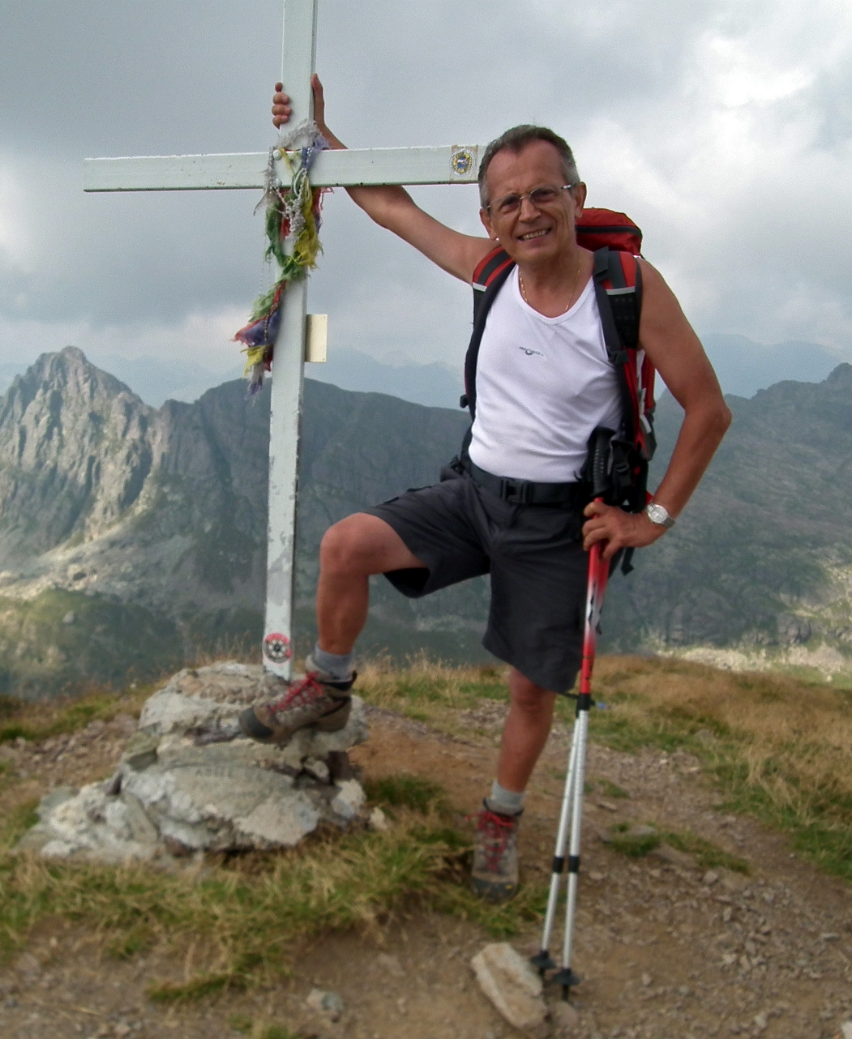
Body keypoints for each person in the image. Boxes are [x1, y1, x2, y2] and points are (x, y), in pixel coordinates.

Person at [239, 76, 732, 902]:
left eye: (544, 193)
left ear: (577, 197)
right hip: (475, 493)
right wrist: (324, 134)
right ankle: (327, 686)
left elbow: (709, 409)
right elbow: (393, 208)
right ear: (488, 217)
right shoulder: (490, 271)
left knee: (527, 686)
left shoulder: (628, 288)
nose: (527, 213)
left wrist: (652, 516)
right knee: (345, 546)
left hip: (560, 524)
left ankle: (500, 817)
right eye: (507, 201)